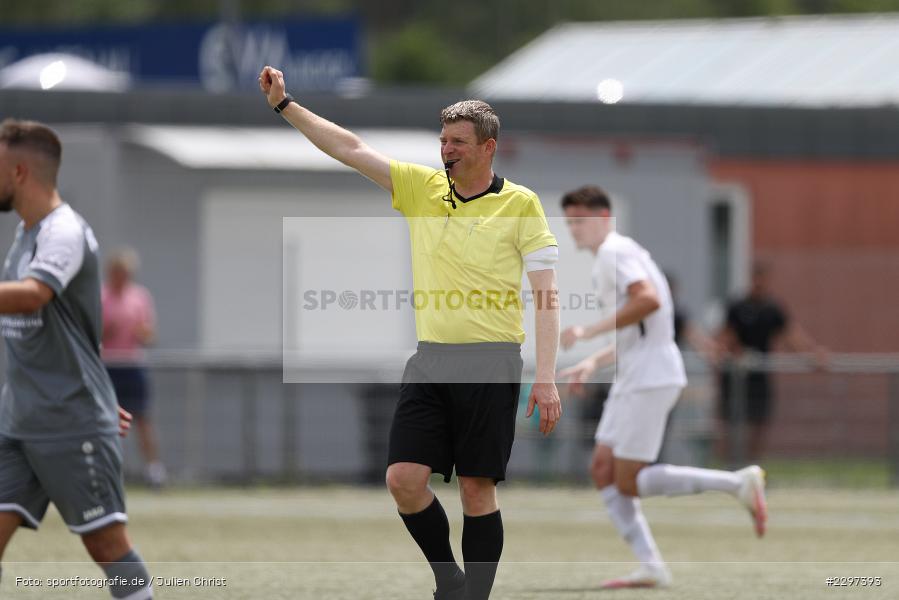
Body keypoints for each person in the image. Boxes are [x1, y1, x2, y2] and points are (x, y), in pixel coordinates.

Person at [259, 66, 562, 600]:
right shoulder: (422, 188)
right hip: (431, 360)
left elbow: (547, 296)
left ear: (488, 147)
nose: (446, 150)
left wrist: (547, 377)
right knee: (403, 478)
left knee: (476, 488)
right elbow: (350, 149)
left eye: (458, 142)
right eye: (443, 140)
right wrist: (286, 105)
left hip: (492, 362)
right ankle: (449, 578)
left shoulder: (522, 205)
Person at [557, 186, 766, 589]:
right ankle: (651, 566)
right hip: (634, 374)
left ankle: (738, 483)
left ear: (603, 219)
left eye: (580, 221)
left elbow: (648, 301)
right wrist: (593, 361)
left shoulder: (613, 252)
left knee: (630, 480)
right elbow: (636, 331)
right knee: (603, 468)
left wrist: (588, 330)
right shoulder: (619, 253)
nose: (573, 230)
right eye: (569, 222)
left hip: (649, 377)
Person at [0, 119, 153, 598]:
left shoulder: (64, 231)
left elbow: (33, 296)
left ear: (20, 171)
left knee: (107, 545)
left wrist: (93, 405)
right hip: (19, 422)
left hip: (70, 423)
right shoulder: (24, 236)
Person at [716, 262, 828, 462]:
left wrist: (812, 354)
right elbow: (724, 338)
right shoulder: (737, 306)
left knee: (759, 423)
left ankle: (754, 466)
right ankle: (731, 466)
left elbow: (791, 335)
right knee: (732, 424)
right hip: (736, 377)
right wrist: (733, 353)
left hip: (760, 377)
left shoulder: (772, 308)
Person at [102, 248, 167, 488]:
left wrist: (143, 333)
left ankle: (154, 471)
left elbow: (150, 334)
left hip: (133, 364)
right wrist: (108, 331)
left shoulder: (140, 297)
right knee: (108, 420)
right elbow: (91, 334)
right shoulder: (101, 297)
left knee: (142, 418)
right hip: (108, 364)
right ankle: (110, 469)